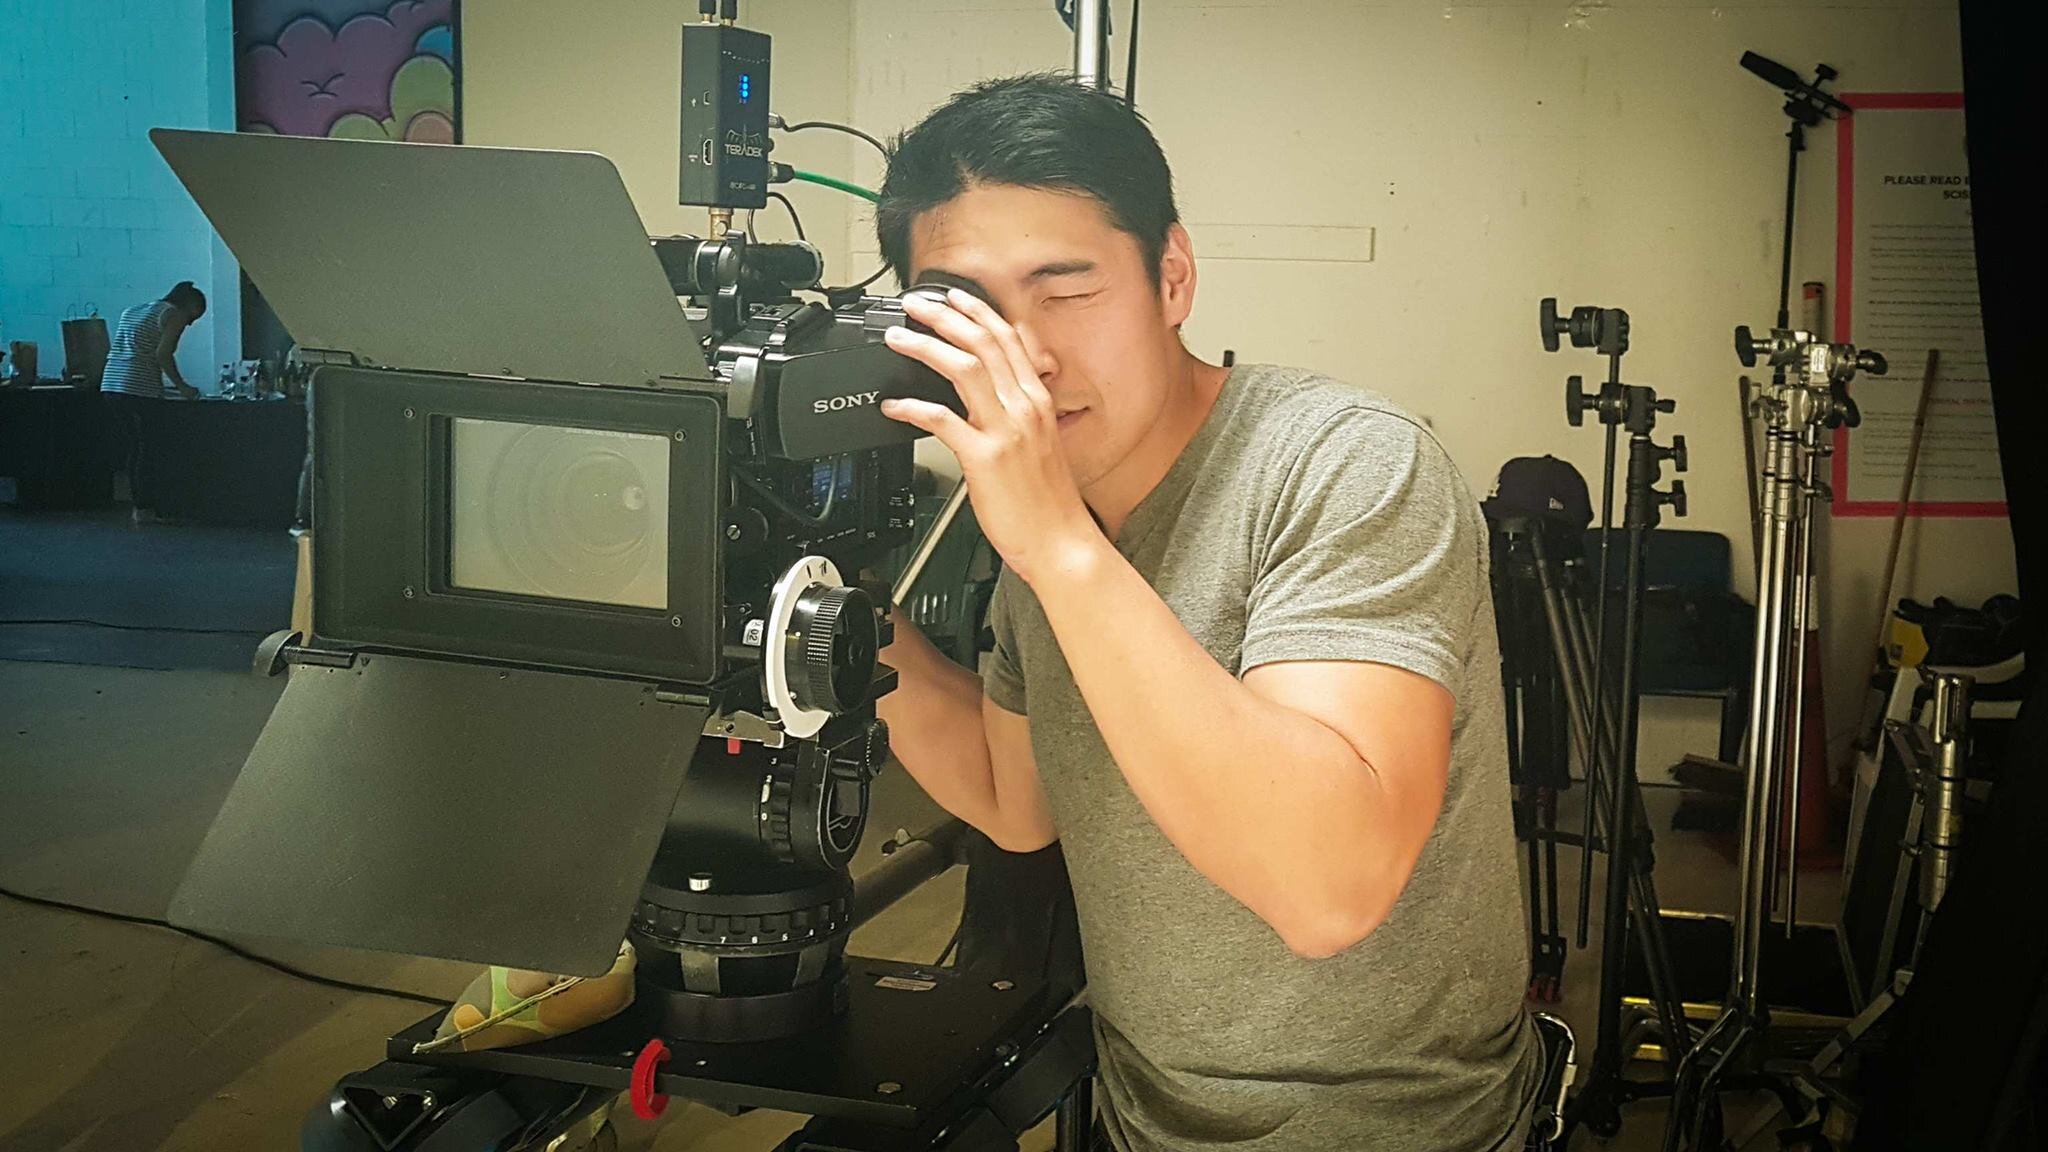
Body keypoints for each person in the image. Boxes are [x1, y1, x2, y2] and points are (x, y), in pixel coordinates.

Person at [870, 75, 1539, 1151]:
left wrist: (1055, 546)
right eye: (971, 310)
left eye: (1065, 288)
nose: (1025, 358)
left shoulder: (1340, 462)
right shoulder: (1046, 501)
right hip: (1150, 1122)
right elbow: (1014, 795)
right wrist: (836, 621)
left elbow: (1329, 887)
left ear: (1171, 276)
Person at [101, 281, 205, 518]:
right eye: (193, 317)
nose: (189, 323)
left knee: (135, 446)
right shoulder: (173, 314)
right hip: (139, 387)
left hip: (111, 383)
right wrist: (182, 387)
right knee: (148, 448)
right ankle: (146, 506)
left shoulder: (135, 310)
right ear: (190, 304)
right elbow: (163, 353)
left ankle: (138, 503)